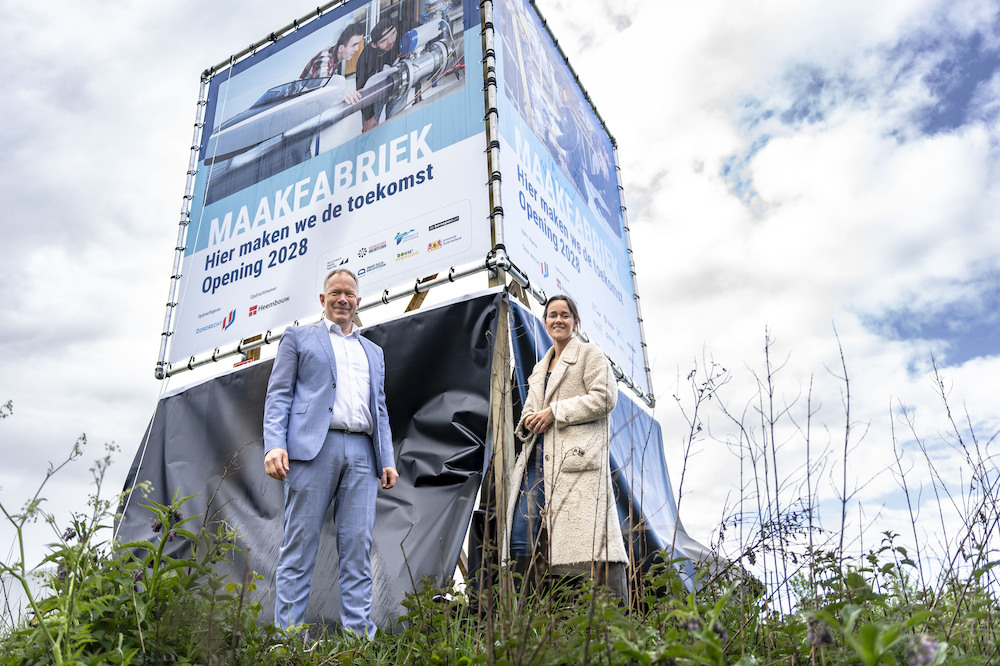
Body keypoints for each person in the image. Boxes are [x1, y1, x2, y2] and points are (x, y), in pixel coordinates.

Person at [264, 268, 398, 639]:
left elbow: (380, 408)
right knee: (300, 544)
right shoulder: (298, 338)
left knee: (357, 546)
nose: (343, 299)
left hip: (362, 452)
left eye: (349, 294)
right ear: (323, 300)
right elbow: (279, 394)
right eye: (335, 293)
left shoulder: (373, 351)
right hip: (311, 451)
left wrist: (386, 457)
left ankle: (359, 639)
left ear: (358, 300)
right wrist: (275, 443)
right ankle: (288, 640)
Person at [503, 294, 629, 600]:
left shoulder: (590, 354)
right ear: (544, 321)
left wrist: (556, 412)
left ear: (575, 321)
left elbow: (605, 398)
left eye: (565, 315)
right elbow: (529, 411)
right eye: (552, 315)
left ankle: (595, 610)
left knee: (581, 540)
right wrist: (529, 420)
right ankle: (524, 616)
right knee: (520, 540)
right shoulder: (538, 369)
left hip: (575, 461)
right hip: (535, 459)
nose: (558, 320)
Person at [299, 23, 366, 105]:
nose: (357, 49)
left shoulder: (334, 58)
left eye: (358, 44)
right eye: (354, 45)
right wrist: (342, 95)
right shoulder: (324, 60)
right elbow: (323, 91)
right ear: (341, 48)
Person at [355, 18, 402, 132]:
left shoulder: (400, 37)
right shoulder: (365, 58)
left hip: (397, 85)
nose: (390, 41)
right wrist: (368, 117)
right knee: (370, 133)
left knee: (394, 127)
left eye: (393, 34)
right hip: (374, 95)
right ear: (374, 45)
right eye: (384, 41)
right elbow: (362, 91)